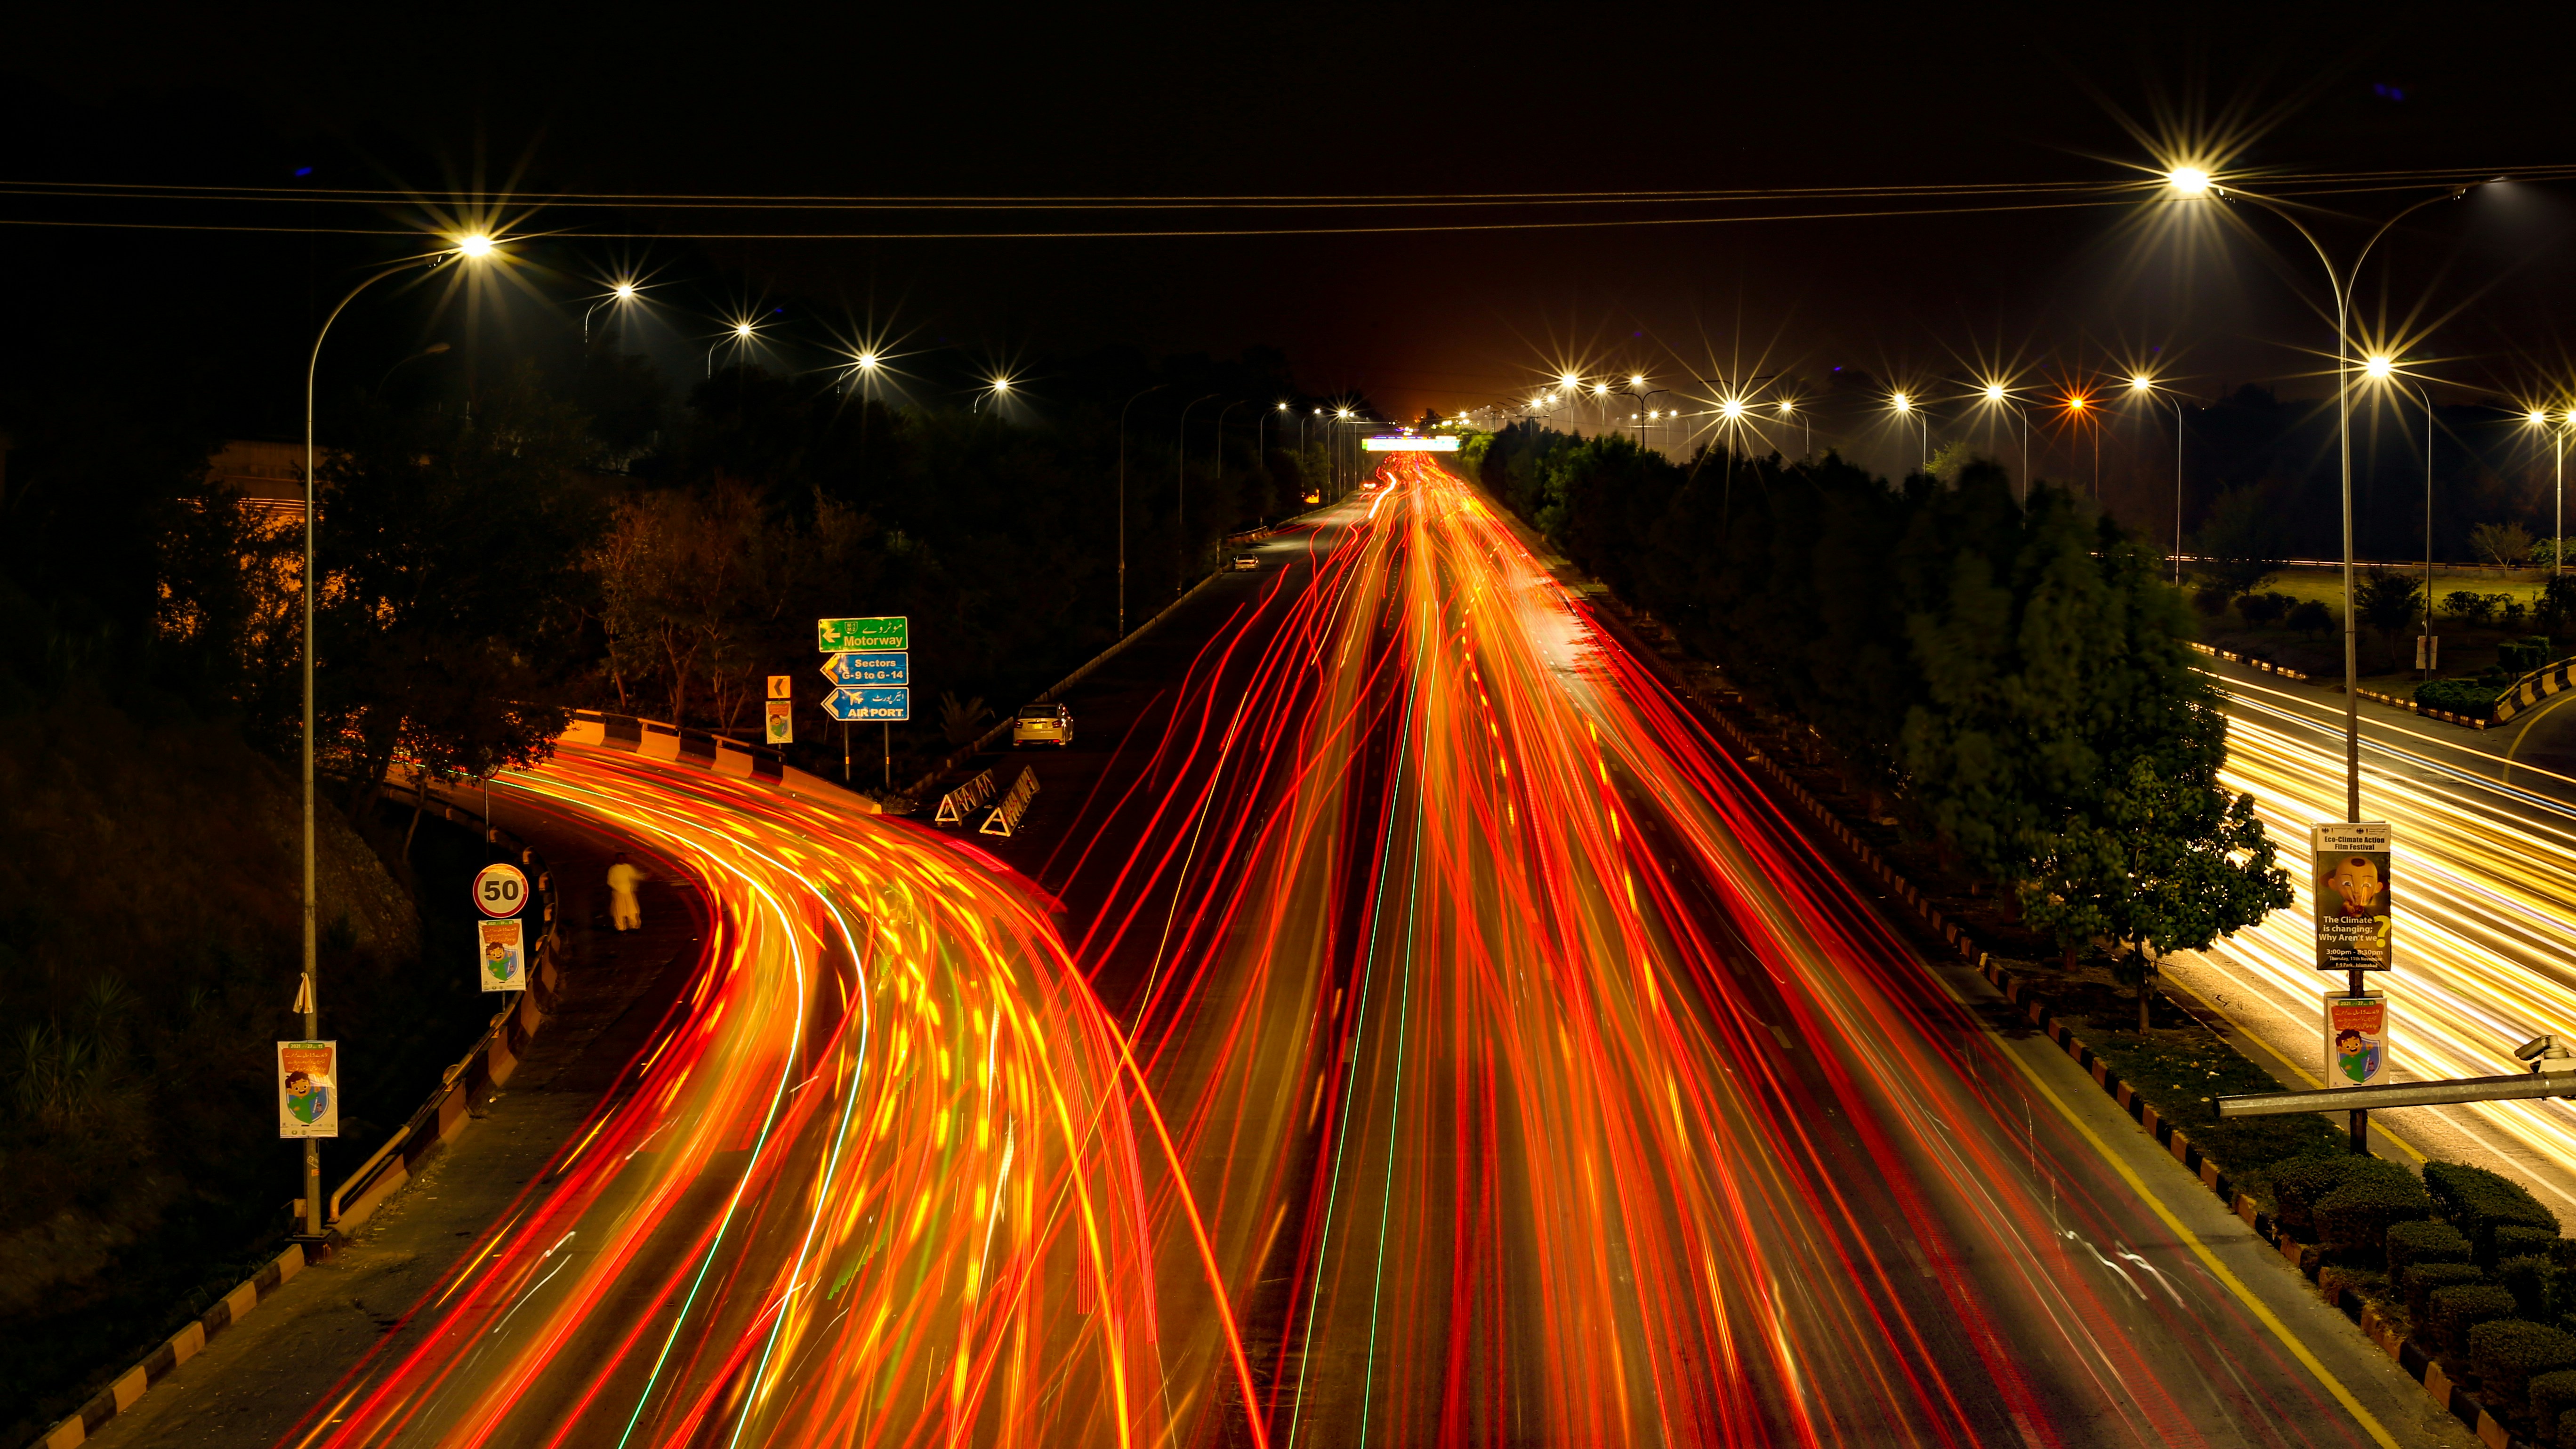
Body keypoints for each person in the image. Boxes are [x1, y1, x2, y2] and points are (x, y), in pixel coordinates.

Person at [607, 853, 650, 932]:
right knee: (619, 912)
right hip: (618, 893)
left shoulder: (628, 867)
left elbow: (635, 876)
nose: (621, 860)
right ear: (616, 859)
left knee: (632, 911)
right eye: (620, 858)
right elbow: (610, 881)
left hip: (628, 892)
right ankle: (621, 928)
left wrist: (645, 877)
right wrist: (618, 889)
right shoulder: (613, 869)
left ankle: (634, 926)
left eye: (623, 858)